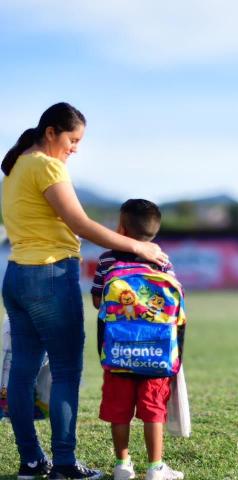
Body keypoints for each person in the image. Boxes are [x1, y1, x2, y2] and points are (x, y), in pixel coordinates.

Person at [1, 103, 168, 480]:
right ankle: (63, 463)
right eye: (72, 139)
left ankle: (31, 462)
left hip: (15, 277)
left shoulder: (14, 168)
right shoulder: (46, 165)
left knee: (23, 369)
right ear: (51, 133)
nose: (75, 148)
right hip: (49, 276)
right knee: (65, 370)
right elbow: (80, 223)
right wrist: (139, 247)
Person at [91, 199, 184, 480]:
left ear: (121, 226)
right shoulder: (162, 259)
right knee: (154, 409)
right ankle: (155, 468)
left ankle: (122, 465)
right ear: (154, 232)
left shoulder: (108, 259)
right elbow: (173, 307)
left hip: (118, 350)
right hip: (156, 352)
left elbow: (98, 301)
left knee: (119, 410)